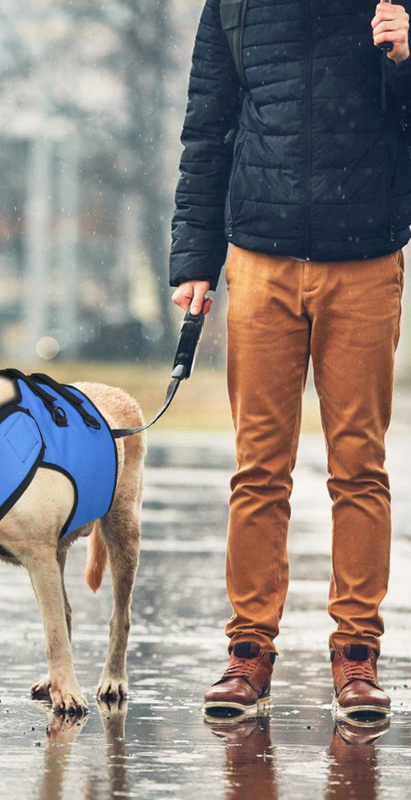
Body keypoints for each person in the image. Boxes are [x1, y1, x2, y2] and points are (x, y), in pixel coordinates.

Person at [169, 0, 411, 718]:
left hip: (366, 261)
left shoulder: (394, 5)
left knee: (358, 466)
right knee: (258, 468)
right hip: (259, 260)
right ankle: (248, 655)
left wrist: (406, 63)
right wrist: (195, 260)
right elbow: (207, 132)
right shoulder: (235, 7)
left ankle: (357, 659)